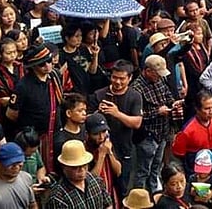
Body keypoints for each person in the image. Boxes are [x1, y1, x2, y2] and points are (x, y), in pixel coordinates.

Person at [89, 59, 142, 191]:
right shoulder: (99, 94)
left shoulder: (135, 96)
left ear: (130, 78)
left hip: (124, 149)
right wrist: (97, 113)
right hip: (99, 148)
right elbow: (87, 120)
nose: (117, 82)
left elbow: (137, 123)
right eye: (114, 77)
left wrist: (117, 114)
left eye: (122, 79)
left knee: (122, 187)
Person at [132, 54, 175, 193]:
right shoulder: (136, 88)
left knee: (156, 166)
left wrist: (174, 104)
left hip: (162, 132)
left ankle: (154, 192)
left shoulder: (160, 80)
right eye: (157, 73)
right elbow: (137, 115)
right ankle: (139, 195)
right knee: (143, 169)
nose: (160, 76)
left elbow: (168, 96)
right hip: (147, 135)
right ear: (148, 71)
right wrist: (157, 111)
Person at [46, 140, 113, 209]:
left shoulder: (97, 181)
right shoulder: (58, 198)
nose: (82, 170)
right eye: (75, 167)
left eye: (84, 165)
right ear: (64, 167)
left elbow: (108, 204)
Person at [173, 90, 212, 174]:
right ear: (197, 109)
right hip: (194, 168)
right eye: (207, 108)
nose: (211, 112)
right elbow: (178, 154)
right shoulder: (187, 131)